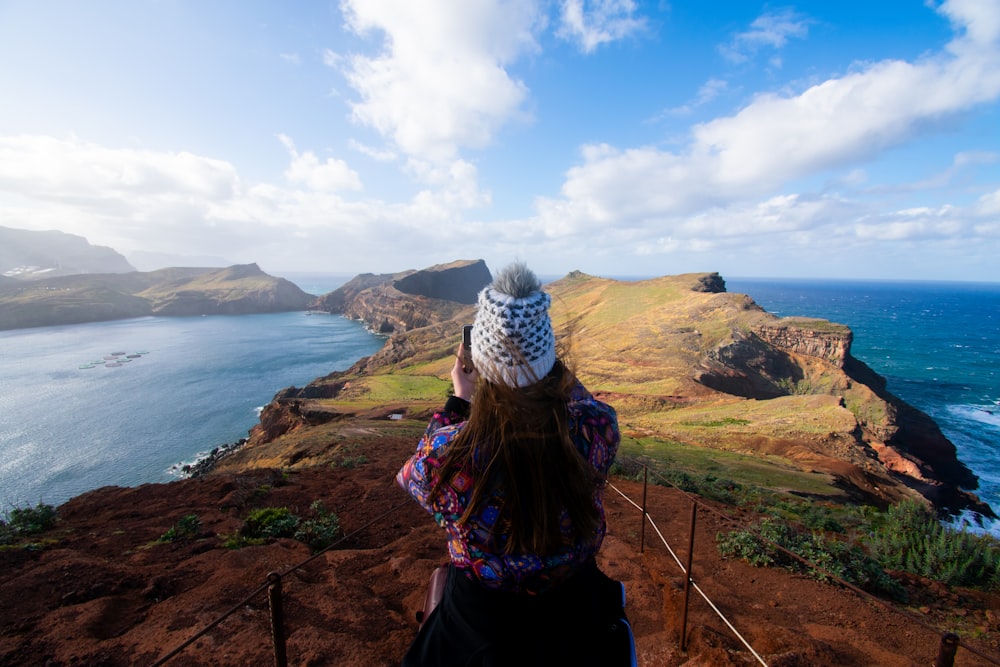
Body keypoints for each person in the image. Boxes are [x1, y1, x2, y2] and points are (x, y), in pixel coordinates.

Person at [397, 262, 633, 666]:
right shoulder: (597, 428)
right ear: (551, 358)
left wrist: (459, 400)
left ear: (479, 362)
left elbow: (408, 479)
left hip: (479, 622)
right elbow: (584, 404)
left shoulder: (446, 455)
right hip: (576, 609)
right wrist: (543, 366)